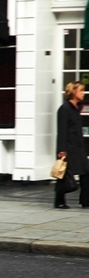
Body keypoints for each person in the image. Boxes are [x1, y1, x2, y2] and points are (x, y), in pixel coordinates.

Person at [55, 81, 89, 209]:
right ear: (74, 92)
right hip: (68, 147)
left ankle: (85, 200)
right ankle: (59, 201)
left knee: (86, 173)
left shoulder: (77, 108)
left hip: (79, 146)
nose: (83, 93)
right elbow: (62, 130)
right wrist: (61, 149)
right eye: (81, 90)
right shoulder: (65, 109)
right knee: (64, 173)